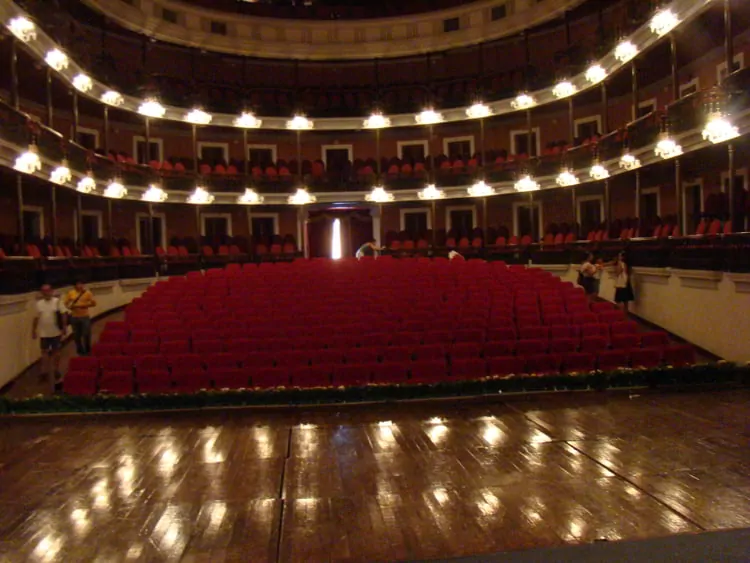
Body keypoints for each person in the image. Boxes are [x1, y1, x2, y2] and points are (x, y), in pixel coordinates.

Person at [32, 284, 67, 382]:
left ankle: (56, 370)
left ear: (51, 291)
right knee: (44, 352)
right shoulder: (39, 304)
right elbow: (36, 318)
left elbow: (63, 314)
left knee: (56, 352)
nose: (46, 293)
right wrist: (34, 330)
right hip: (44, 332)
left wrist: (64, 327)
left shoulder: (57, 302)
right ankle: (44, 372)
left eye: (47, 290)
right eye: (44, 291)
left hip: (56, 331)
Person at [65, 280, 97, 356]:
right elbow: (65, 303)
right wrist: (70, 307)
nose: (80, 286)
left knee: (86, 334)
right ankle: (80, 351)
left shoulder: (87, 293)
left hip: (85, 316)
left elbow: (94, 303)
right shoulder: (71, 293)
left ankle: (87, 350)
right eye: (78, 284)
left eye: (81, 284)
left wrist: (83, 305)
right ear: (75, 285)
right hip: (74, 317)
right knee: (76, 335)